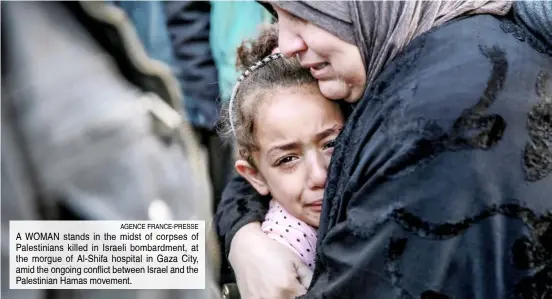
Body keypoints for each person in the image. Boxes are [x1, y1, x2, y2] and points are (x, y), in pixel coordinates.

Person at [215, 1, 552, 298]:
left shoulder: (434, 117)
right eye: (278, 14)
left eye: (300, 13)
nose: (286, 44)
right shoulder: (376, 57)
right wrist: (243, 239)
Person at [218, 25, 344, 273]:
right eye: (287, 159)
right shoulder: (286, 248)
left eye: (331, 144)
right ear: (255, 176)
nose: (319, 175)